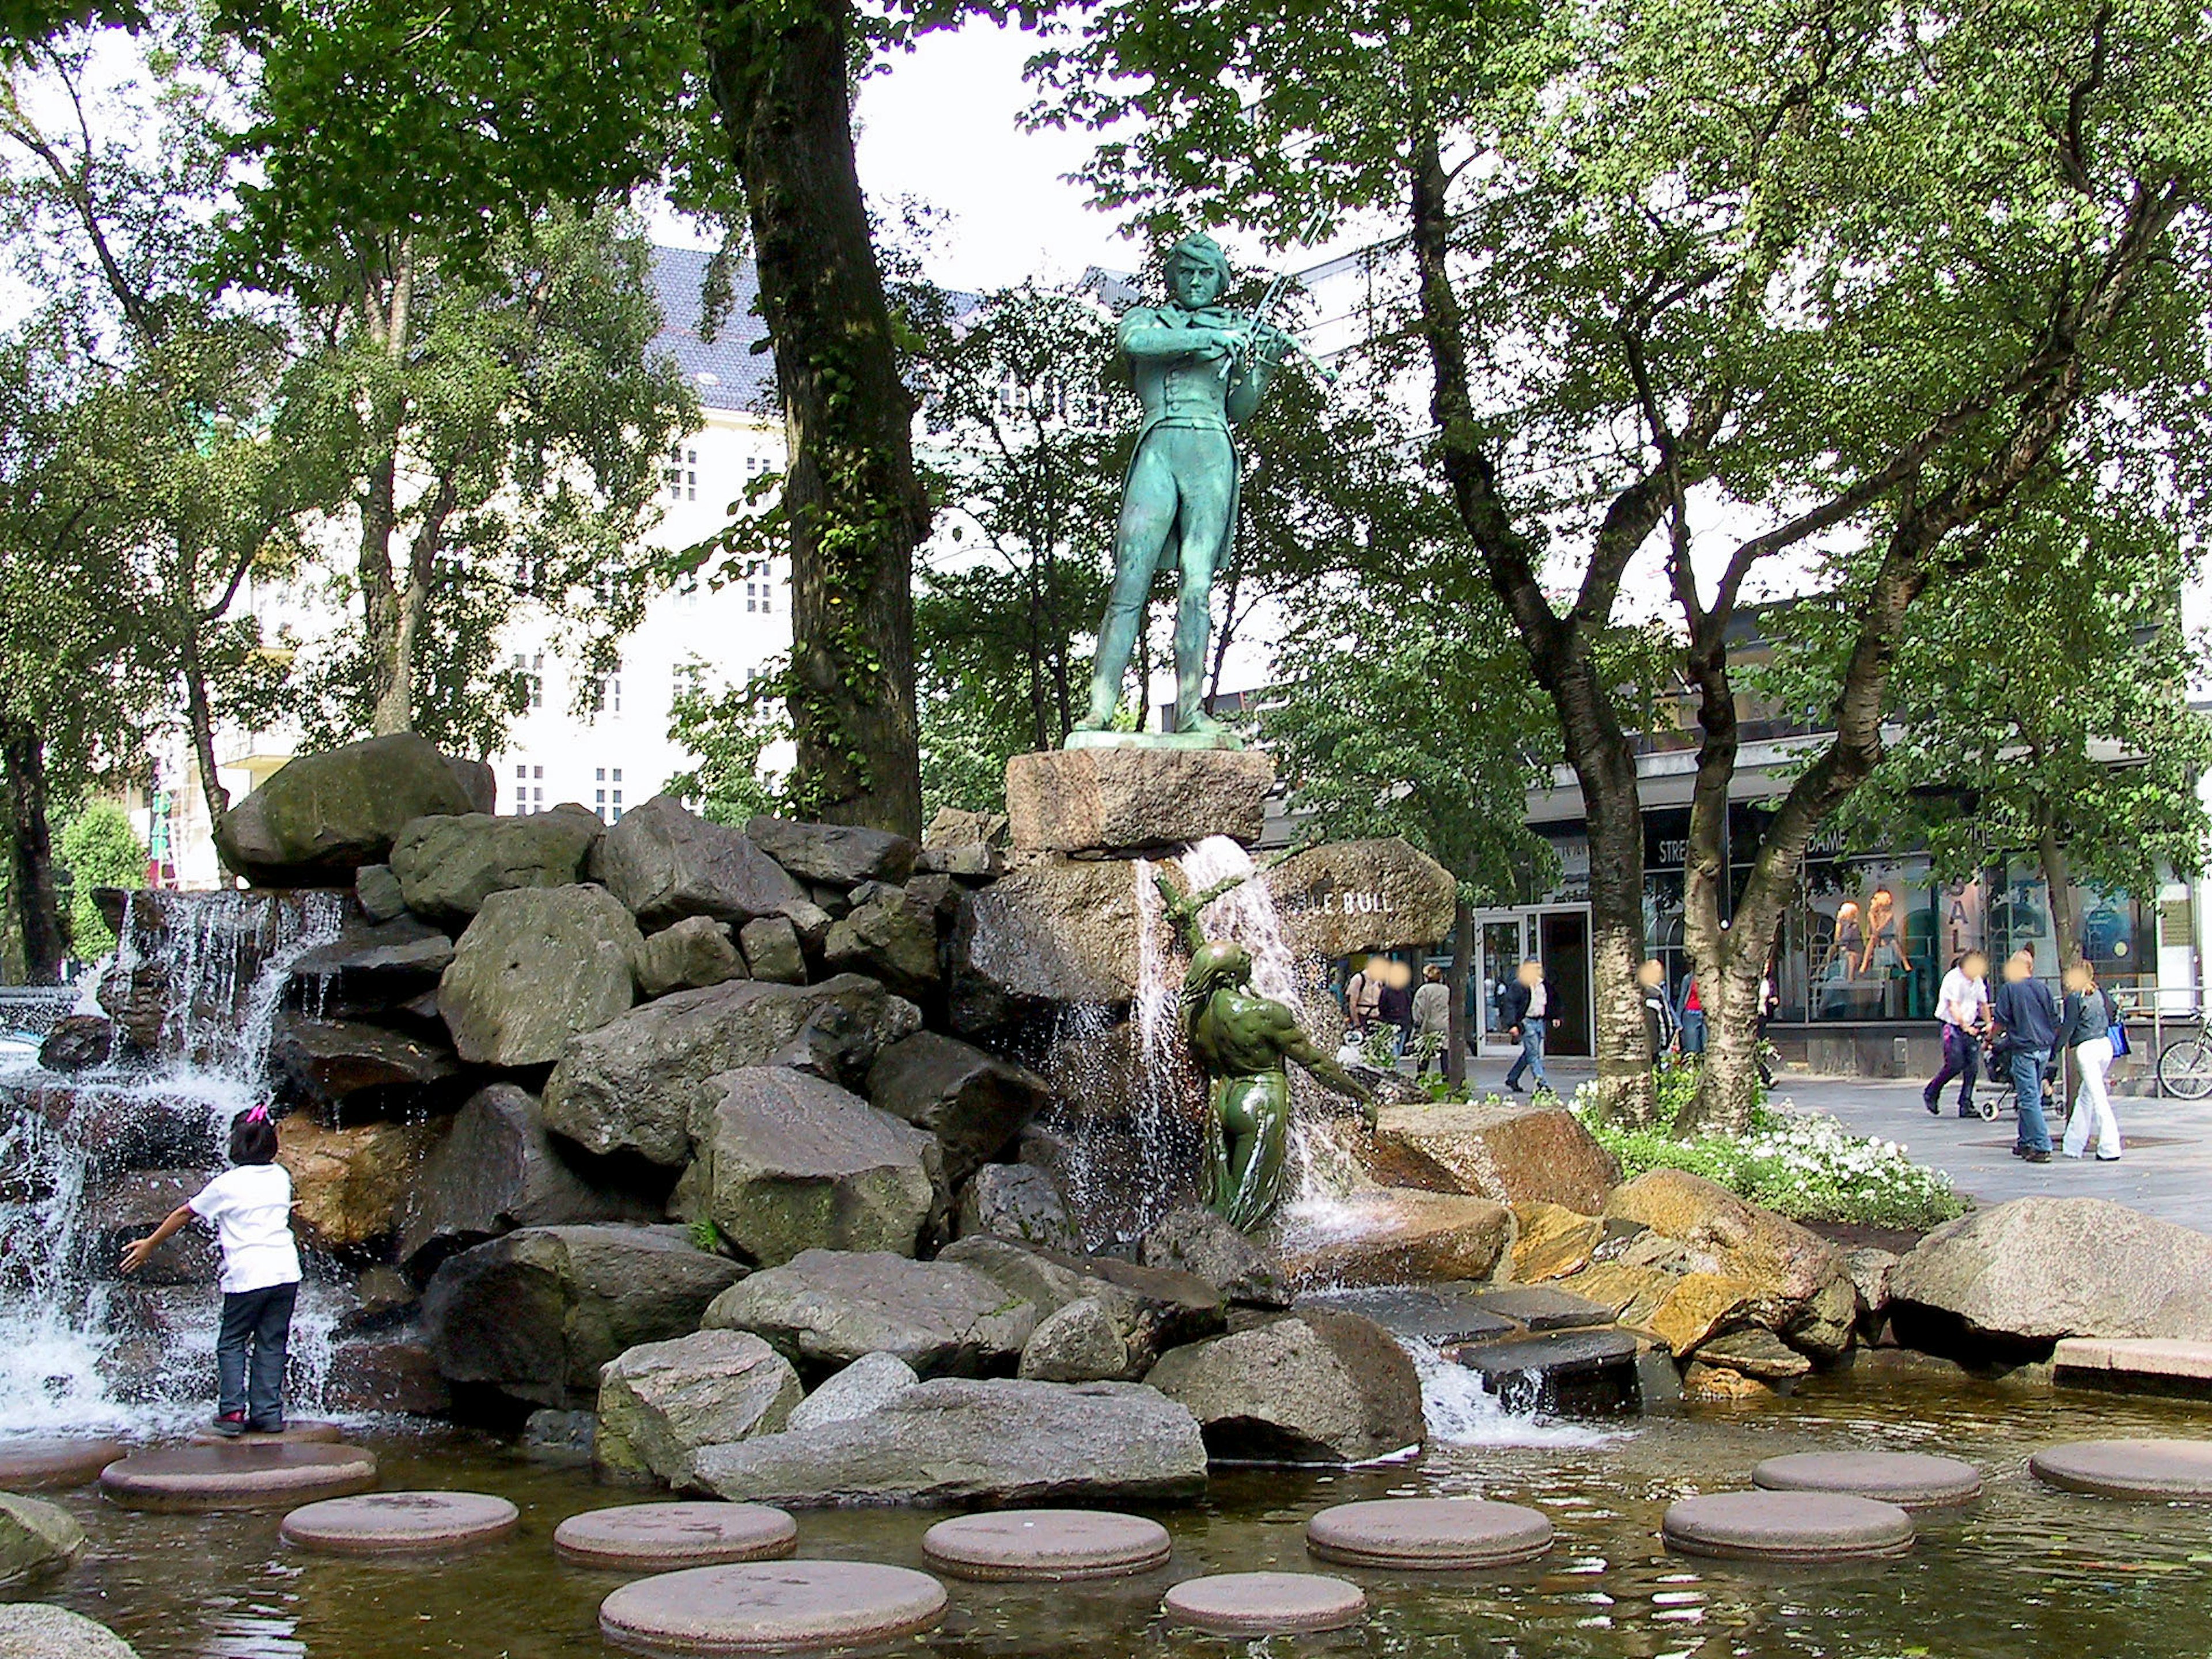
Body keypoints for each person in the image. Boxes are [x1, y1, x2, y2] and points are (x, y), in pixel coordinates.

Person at [120, 1105, 301, 1435]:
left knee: (232, 1341)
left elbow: (183, 1214)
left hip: (248, 1275)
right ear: (272, 1144)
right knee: (272, 1342)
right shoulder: (281, 1177)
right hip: (286, 1273)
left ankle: (232, 1412)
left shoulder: (226, 1185)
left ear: (234, 1144)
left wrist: (150, 1243)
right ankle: (268, 1413)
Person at [1986, 950, 2059, 1162]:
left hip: (2024, 1048)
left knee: (2028, 1098)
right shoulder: (2042, 988)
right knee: (2032, 1094)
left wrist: (1990, 1039)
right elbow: (2054, 1019)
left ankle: (2041, 1145)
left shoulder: (2010, 989)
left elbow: (2000, 1022)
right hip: (2043, 1047)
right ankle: (2026, 1141)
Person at [2054, 960, 2123, 1163]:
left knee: (2098, 1098)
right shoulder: (2101, 994)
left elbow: (2068, 1028)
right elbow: (2113, 1015)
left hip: (2087, 1049)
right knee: (2087, 1095)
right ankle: (2073, 1144)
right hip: (2105, 1045)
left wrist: (2054, 1050)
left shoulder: (2075, 998)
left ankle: (2110, 1146)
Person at [1923, 949, 1990, 1118]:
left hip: (1970, 1024)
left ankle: (1966, 1103)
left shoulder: (1977, 981)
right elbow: (1953, 1006)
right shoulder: (1953, 979)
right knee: (1955, 1063)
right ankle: (1932, 1091)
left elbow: (1983, 1004)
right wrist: (1965, 1026)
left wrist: (1989, 1023)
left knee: (1972, 1066)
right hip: (1952, 1025)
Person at [1500, 957, 1559, 1095]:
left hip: (1539, 1022)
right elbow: (1510, 1004)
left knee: (1529, 1054)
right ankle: (1542, 1084)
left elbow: (1549, 1002)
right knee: (1534, 1055)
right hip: (1527, 1022)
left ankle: (1512, 1078)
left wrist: (1554, 1016)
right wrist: (1512, 1025)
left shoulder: (1542, 984)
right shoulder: (1519, 985)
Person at [1410, 962, 1452, 1074]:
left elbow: (1418, 1011)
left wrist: (1417, 1025)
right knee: (1445, 1054)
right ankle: (1446, 1078)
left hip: (1428, 1027)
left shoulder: (1423, 991)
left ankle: (1422, 1077)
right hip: (1445, 1026)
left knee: (1424, 1056)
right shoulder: (1446, 990)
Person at [1638, 959, 1678, 1058]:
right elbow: (1655, 1022)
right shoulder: (1652, 994)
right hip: (1657, 1045)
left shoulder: (1659, 990)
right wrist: (1662, 1044)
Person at [1376, 962, 1415, 1059]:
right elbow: (1409, 1005)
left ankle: (1395, 1065)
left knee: (1393, 1047)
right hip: (1403, 1023)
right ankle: (1396, 1064)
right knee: (1399, 1046)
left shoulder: (1386, 991)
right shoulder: (1406, 991)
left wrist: (1384, 1018)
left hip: (1390, 1022)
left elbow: (1382, 1006)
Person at [1343, 961, 1383, 1034]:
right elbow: (1352, 1003)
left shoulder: (1378, 981)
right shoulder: (1359, 979)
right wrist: (1357, 1024)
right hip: (1362, 1016)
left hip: (1376, 1017)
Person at [1677, 973, 1707, 1055]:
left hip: (1706, 1014)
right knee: (1692, 1049)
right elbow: (1682, 998)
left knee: (1706, 1046)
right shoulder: (1689, 978)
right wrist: (1678, 1020)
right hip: (1691, 1014)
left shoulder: (1711, 978)